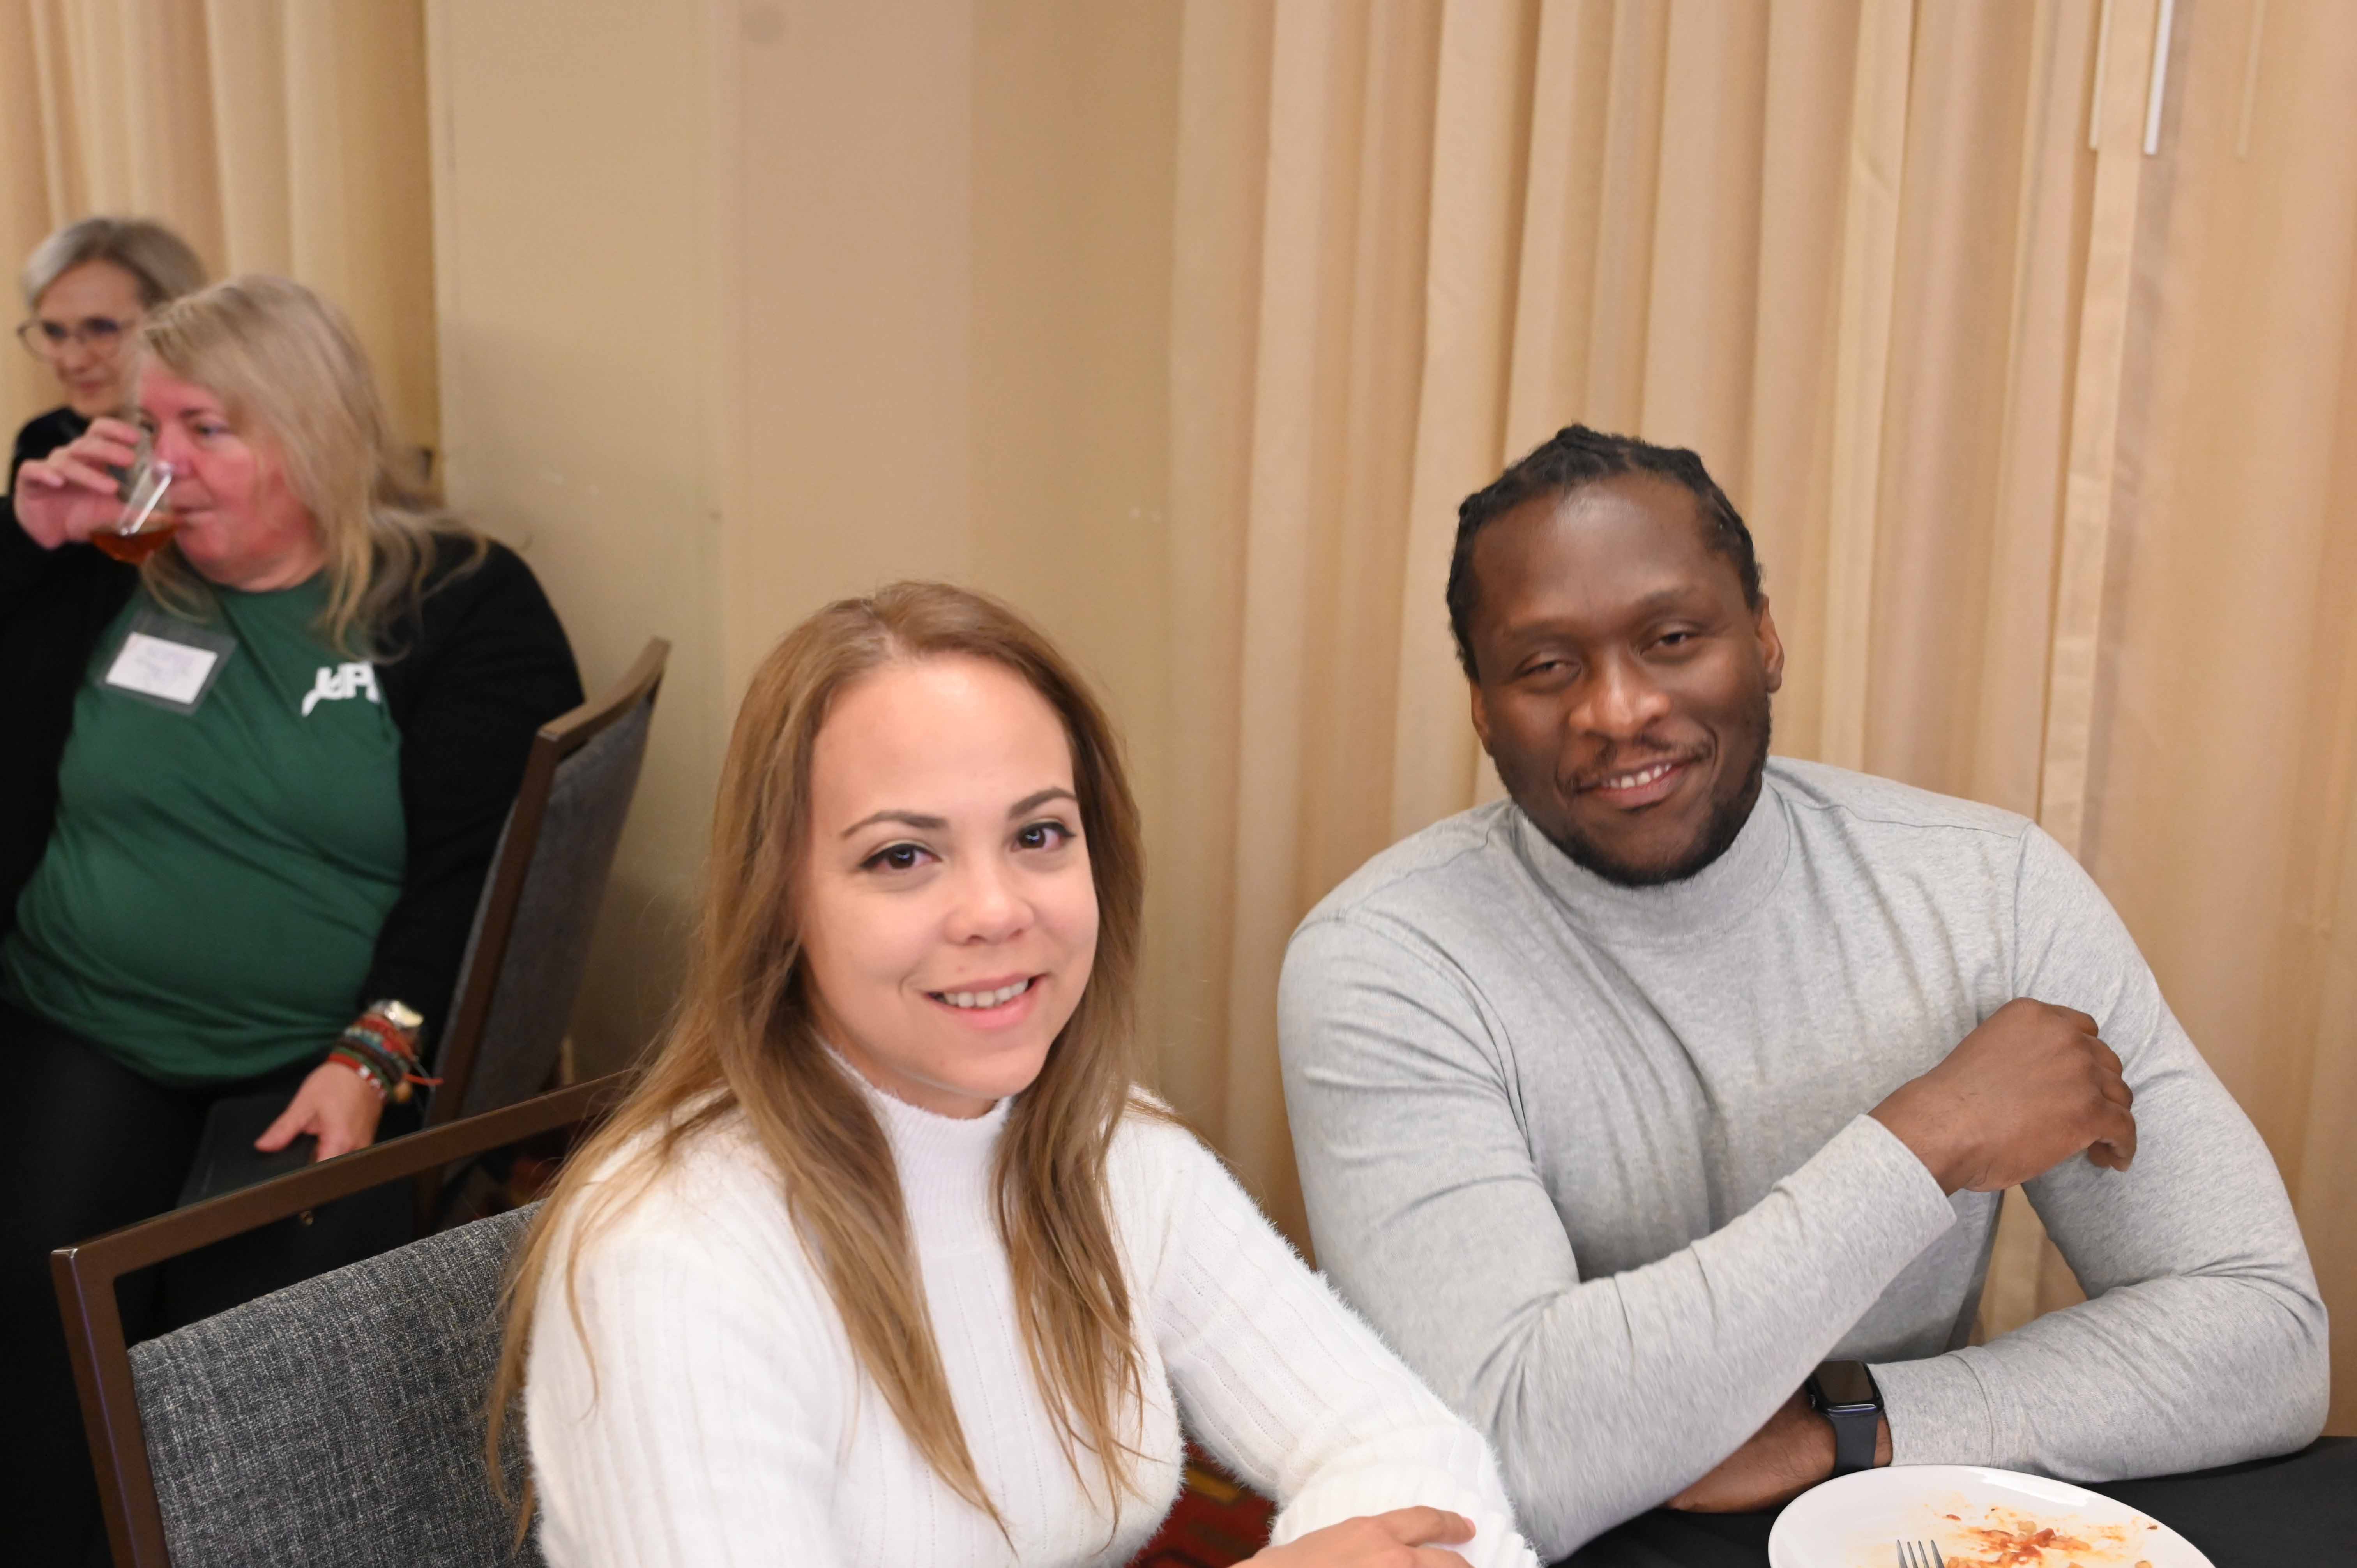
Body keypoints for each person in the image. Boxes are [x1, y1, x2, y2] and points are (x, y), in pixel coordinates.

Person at [1277, 425, 2329, 1560]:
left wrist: (1856, 1419)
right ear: (1484, 710)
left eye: (1671, 638)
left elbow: (2264, 1334)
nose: (1618, 709)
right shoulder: (1389, 961)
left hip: (1904, 1529)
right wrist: (1929, 1136)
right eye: (1546, 666)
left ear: (1766, 640)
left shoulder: (1994, 892)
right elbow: (1504, 1453)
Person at [498, 583, 1541, 1568]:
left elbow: (1404, 1444)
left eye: (1039, 834)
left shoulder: (1106, 1141)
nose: (997, 911)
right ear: (782, 901)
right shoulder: (671, 1261)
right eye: (903, 856)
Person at [0, 275, 582, 1564]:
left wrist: (377, 1051)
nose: (166, 464)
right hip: (82, 1014)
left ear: (311, 433)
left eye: (208, 430)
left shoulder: (458, 604)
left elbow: (478, 878)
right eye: (153, 427)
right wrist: (26, 545)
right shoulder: (106, 570)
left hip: (319, 1051)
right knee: (41, 1308)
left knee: (261, 1360)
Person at [11, 216, 207, 490]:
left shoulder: (227, 443)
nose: (74, 361)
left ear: (173, 323)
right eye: (54, 331)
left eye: (102, 329)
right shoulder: (45, 441)